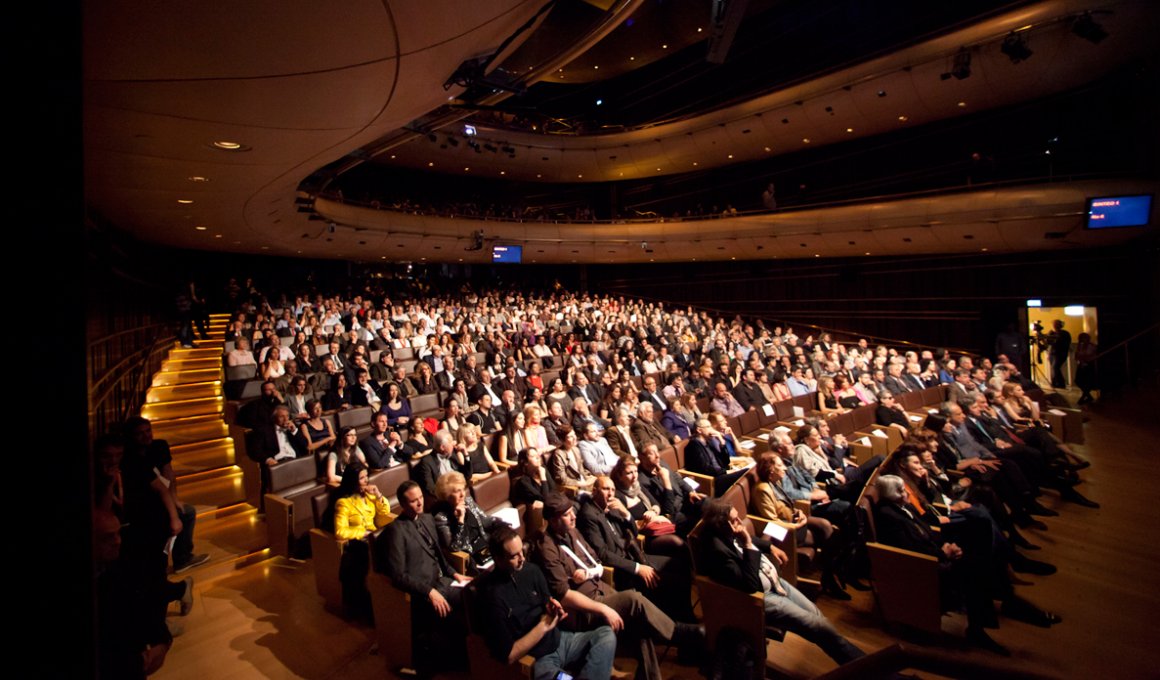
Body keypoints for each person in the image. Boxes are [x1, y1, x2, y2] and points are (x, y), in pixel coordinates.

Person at [873, 475, 1061, 656]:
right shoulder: (888, 515)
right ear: (894, 494)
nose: (907, 493)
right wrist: (943, 552)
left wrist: (946, 546)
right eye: (902, 491)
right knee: (979, 568)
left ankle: (998, 612)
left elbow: (927, 530)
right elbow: (910, 547)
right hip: (923, 567)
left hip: (935, 554)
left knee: (982, 554)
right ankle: (992, 618)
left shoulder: (903, 507)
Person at [531, 494, 704, 680]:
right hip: (584, 609)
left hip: (601, 590)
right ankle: (680, 633)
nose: (573, 516)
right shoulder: (546, 548)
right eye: (566, 514)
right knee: (633, 600)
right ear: (553, 520)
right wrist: (604, 609)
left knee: (639, 623)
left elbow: (595, 562)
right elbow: (564, 596)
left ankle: (650, 676)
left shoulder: (572, 531)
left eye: (572, 511)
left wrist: (589, 574)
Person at [698, 499, 866, 666]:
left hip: (775, 581)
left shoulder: (729, 532)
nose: (740, 522)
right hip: (763, 597)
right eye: (734, 520)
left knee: (818, 618)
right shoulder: (718, 551)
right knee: (820, 626)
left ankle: (852, 663)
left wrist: (770, 547)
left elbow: (748, 539)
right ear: (722, 525)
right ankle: (866, 667)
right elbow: (749, 584)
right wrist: (747, 542)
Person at [475, 526, 617, 679]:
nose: (522, 558)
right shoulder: (491, 596)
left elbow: (548, 606)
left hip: (561, 640)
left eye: (521, 551)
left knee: (606, 635)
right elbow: (508, 655)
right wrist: (543, 626)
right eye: (514, 556)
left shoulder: (532, 571)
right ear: (498, 558)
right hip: (538, 659)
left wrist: (554, 610)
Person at [380, 480, 471, 676]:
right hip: (423, 590)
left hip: (443, 580)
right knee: (464, 604)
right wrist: (429, 592)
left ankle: (464, 658)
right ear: (403, 505)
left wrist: (455, 573)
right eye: (414, 501)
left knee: (473, 595)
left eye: (421, 497)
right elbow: (398, 575)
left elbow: (439, 555)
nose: (420, 503)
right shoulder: (396, 531)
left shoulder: (428, 519)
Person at [578, 475, 696, 623]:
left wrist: (626, 514)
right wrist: (638, 568)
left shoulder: (613, 506)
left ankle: (684, 615)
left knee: (679, 565)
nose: (610, 493)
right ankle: (678, 622)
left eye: (613, 490)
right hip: (622, 570)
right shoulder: (588, 515)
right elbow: (603, 554)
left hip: (635, 555)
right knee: (674, 581)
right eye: (606, 489)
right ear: (594, 491)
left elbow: (634, 533)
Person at [749, 452, 849, 600]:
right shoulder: (762, 489)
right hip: (783, 531)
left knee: (826, 526)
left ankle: (830, 576)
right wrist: (795, 526)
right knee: (826, 538)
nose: (784, 468)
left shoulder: (775, 482)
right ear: (771, 470)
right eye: (780, 465)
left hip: (793, 521)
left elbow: (785, 505)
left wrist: (799, 511)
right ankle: (831, 578)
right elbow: (771, 521)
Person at [331, 462, 390, 618]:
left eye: (366, 477)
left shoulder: (370, 496)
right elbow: (340, 531)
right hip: (359, 543)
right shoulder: (344, 503)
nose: (366, 481)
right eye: (361, 478)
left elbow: (384, 517)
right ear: (353, 480)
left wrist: (378, 495)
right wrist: (362, 532)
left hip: (375, 537)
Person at [432, 470, 506, 573]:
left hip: (485, 546)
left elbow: (484, 520)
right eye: (457, 491)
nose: (462, 494)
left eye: (463, 489)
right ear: (446, 496)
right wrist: (460, 521)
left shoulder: (468, 501)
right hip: (470, 557)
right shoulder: (441, 518)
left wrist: (501, 523)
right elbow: (454, 547)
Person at [1074, 332, 1098, 404]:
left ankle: (1085, 396)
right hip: (1081, 365)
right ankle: (1087, 395)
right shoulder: (1080, 346)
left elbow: (1092, 356)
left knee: (1087, 382)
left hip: (1089, 365)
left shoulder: (1092, 346)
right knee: (1078, 380)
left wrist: (1085, 357)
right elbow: (1076, 356)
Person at [1049, 319, 1072, 389]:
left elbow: (1064, 344)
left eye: (1056, 324)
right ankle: (1055, 383)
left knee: (1055, 368)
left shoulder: (1065, 333)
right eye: (1054, 324)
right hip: (1052, 353)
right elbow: (1049, 343)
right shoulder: (1051, 333)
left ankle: (1061, 384)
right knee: (1053, 368)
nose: (1054, 326)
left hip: (1060, 353)